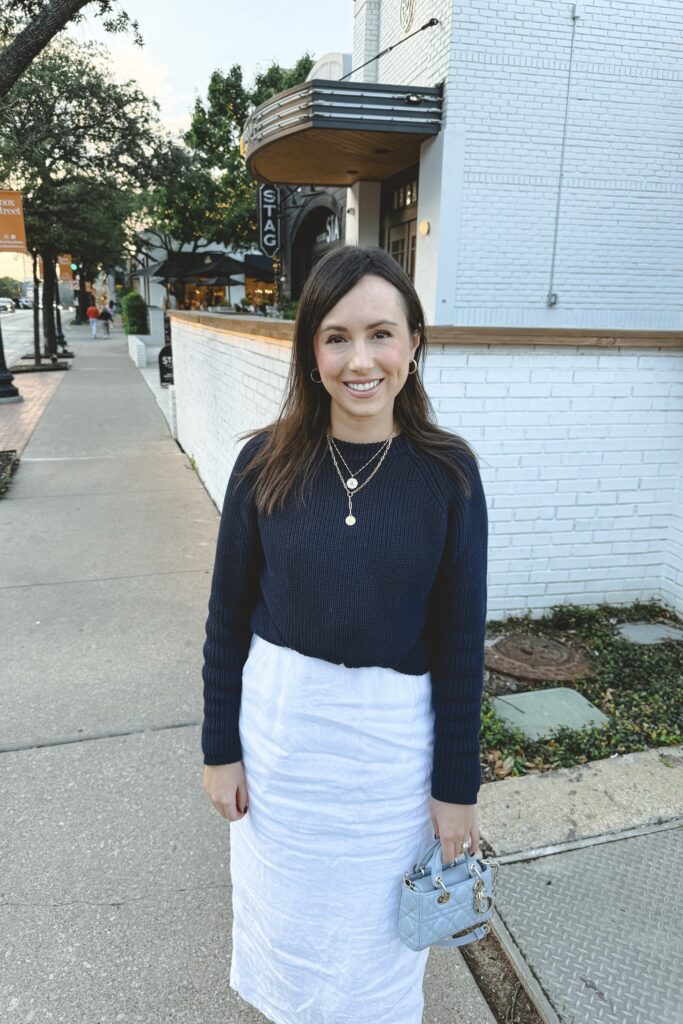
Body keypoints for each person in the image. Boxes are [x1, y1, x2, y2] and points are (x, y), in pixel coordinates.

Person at [200, 244, 488, 1024]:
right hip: (283, 740)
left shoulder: (448, 473)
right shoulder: (264, 463)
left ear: (413, 345)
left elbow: (461, 644)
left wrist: (455, 790)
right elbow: (227, 617)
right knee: (289, 925)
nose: (360, 360)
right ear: (310, 350)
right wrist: (218, 749)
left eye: (380, 334)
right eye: (335, 336)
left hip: (389, 756)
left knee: (372, 946)